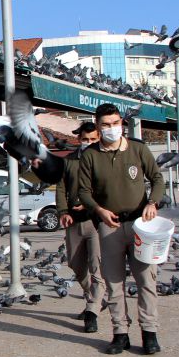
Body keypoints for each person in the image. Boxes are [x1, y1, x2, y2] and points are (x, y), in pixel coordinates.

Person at [77, 103, 165, 355]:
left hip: (141, 225)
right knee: (114, 282)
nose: (111, 128)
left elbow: (157, 178)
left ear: (122, 124)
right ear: (97, 126)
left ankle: (149, 333)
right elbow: (83, 191)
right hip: (109, 225)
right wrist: (99, 210)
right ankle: (120, 333)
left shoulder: (137, 149)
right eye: (106, 125)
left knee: (146, 279)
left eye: (115, 123)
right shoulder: (91, 155)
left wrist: (152, 202)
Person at [56, 121, 105, 333]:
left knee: (97, 267)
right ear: (79, 140)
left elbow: (109, 191)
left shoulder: (105, 161)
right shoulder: (69, 161)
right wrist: (63, 212)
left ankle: (92, 310)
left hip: (97, 221)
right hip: (74, 221)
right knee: (75, 264)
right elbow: (60, 188)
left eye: (93, 139)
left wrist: (93, 204)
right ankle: (92, 296)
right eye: (86, 139)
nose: (89, 143)